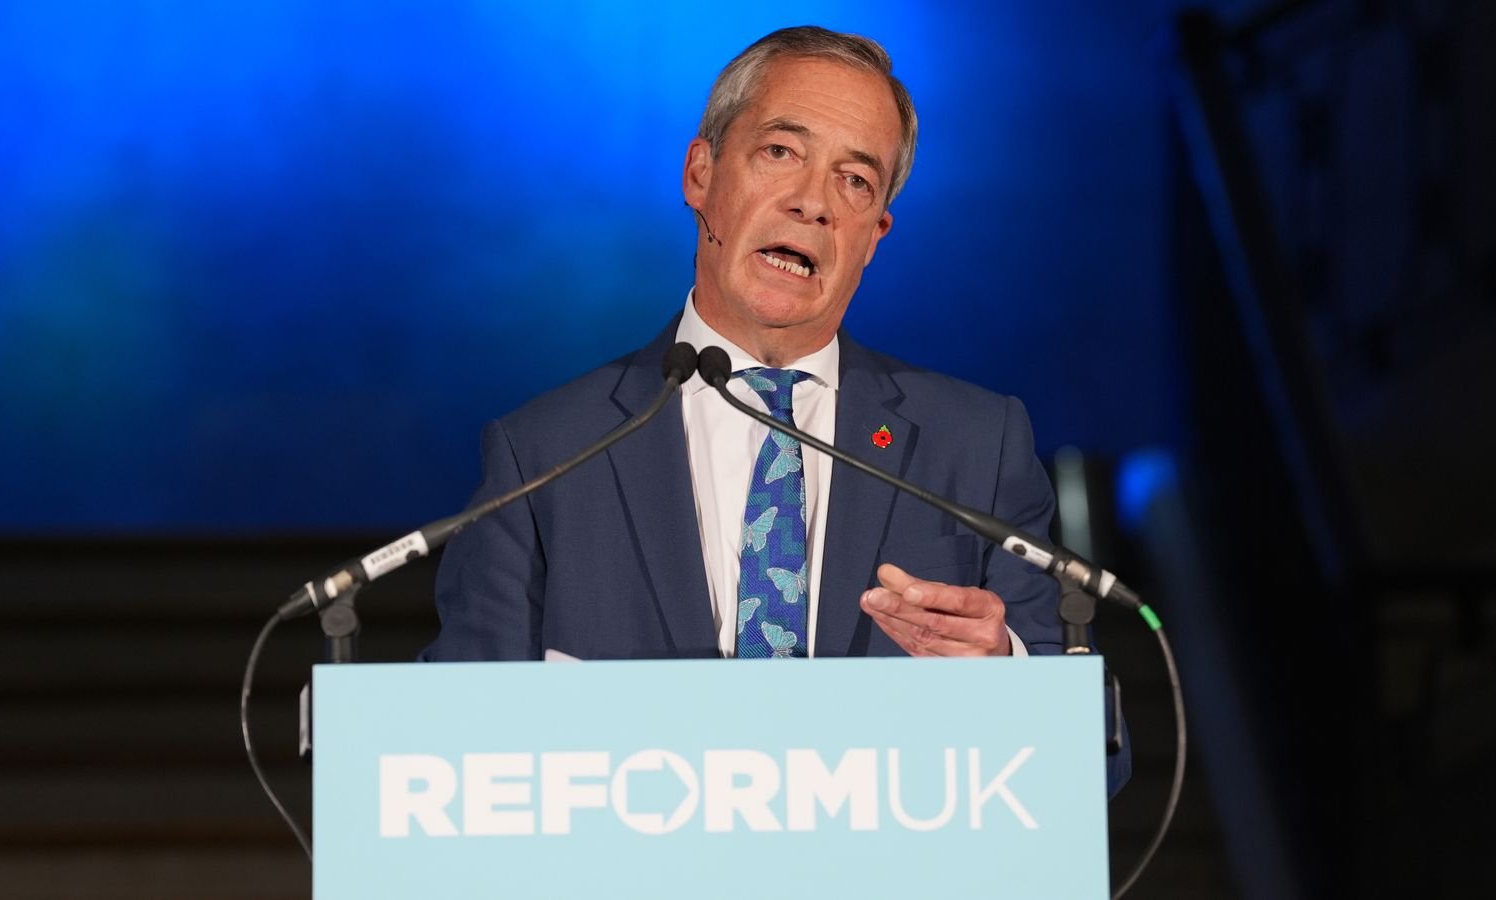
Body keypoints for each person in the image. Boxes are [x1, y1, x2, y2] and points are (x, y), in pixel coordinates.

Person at [424, 25, 1127, 791]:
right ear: (701, 173)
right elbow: (458, 743)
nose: (813, 203)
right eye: (781, 152)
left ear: (873, 237)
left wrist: (1006, 680)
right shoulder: (545, 454)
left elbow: (1099, 760)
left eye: (856, 181)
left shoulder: (975, 444)